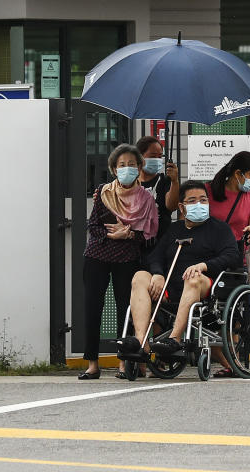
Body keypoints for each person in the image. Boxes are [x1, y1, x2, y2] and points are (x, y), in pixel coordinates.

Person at [123, 180, 240, 358]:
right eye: (192, 201)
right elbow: (155, 256)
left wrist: (203, 266)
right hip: (171, 286)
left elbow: (232, 255)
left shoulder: (219, 229)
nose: (198, 204)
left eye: (203, 200)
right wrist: (158, 274)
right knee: (139, 276)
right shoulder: (174, 229)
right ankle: (141, 343)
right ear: (182, 207)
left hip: (205, 286)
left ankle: (175, 339)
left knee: (193, 278)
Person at [79, 143, 159, 380]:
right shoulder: (103, 193)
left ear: (139, 167)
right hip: (97, 255)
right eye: (122, 165)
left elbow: (150, 233)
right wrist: (112, 235)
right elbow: (93, 225)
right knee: (93, 308)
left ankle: (124, 362)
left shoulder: (146, 199)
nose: (127, 169)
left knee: (127, 310)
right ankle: (92, 364)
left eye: (132, 165)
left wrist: (130, 234)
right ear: (114, 169)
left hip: (128, 258)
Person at [204, 151, 250, 377]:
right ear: (238, 174)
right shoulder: (209, 192)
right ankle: (224, 353)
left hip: (238, 258)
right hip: (211, 256)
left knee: (243, 307)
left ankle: (233, 355)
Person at [135, 135, 179, 243]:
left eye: (160, 156)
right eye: (153, 156)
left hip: (161, 241)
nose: (157, 160)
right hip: (134, 243)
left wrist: (174, 181)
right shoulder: (131, 182)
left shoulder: (164, 181)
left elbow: (171, 206)